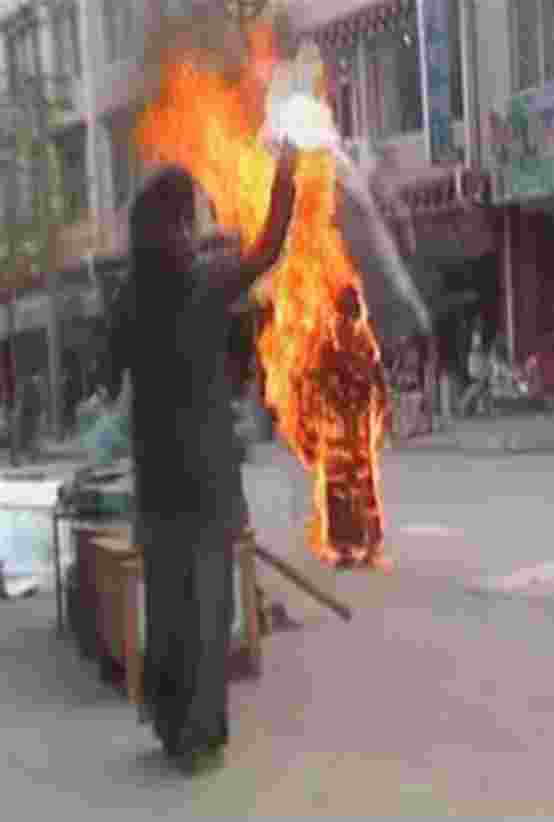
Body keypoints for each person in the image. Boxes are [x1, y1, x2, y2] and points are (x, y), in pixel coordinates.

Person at [106, 145, 297, 774]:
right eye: (191, 217)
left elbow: (118, 375)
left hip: (157, 478)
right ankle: (199, 736)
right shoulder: (204, 282)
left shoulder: (130, 296)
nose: (197, 225)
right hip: (206, 476)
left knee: (167, 604)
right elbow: (268, 248)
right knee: (208, 608)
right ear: (181, 225)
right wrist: (286, 173)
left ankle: (169, 724)